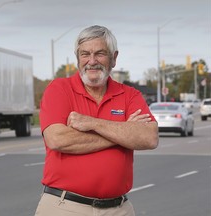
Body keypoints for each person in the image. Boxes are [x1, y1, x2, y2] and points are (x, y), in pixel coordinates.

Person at [34, 25, 159, 216]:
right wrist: (124, 132)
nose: (92, 61)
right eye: (85, 54)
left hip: (119, 209)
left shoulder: (129, 95)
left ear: (114, 58)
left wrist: (92, 123)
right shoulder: (59, 89)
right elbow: (57, 139)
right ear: (78, 58)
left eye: (100, 53)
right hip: (64, 206)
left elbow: (149, 137)